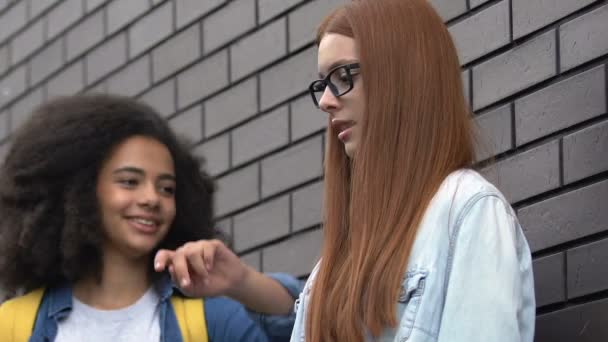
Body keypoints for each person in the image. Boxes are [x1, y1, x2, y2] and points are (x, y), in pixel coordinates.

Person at [291, 0, 536, 341]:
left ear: (403, 75)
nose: (325, 102)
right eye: (324, 84)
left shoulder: (466, 212)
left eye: (343, 76)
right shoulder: (327, 272)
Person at [0, 94, 299, 341]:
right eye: (130, 181)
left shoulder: (210, 320)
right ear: (80, 191)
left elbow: (314, 327)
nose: (152, 199)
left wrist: (243, 282)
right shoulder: (13, 327)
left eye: (166, 188)